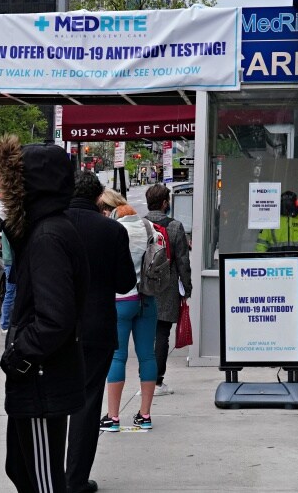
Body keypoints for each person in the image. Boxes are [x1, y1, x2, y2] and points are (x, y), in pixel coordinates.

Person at [0, 135, 89, 493]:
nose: (2, 193)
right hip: (39, 381)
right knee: (22, 469)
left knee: (43, 481)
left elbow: (54, 318)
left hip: (41, 382)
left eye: (10, 185)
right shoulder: (45, 232)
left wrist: (19, 355)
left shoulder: (49, 235)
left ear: (29, 187)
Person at [66, 172, 136, 493]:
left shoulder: (51, 226)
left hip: (54, 327)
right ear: (99, 198)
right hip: (96, 327)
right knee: (88, 401)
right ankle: (75, 478)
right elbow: (125, 283)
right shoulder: (111, 230)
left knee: (51, 401)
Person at [97, 188, 158, 431]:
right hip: (147, 297)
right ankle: (145, 415)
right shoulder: (147, 227)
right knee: (147, 356)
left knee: (117, 356)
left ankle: (112, 417)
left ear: (108, 210)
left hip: (121, 299)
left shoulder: (112, 231)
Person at [145, 183, 192, 396]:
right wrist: (187, 287)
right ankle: (157, 382)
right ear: (165, 203)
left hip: (143, 286)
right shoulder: (175, 227)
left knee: (144, 335)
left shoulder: (139, 224)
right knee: (162, 334)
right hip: (167, 286)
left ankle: (144, 380)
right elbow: (183, 261)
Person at [255, 190, 298, 270]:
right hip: (275, 266)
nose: (288, 206)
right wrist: (262, 263)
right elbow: (261, 244)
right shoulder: (272, 219)